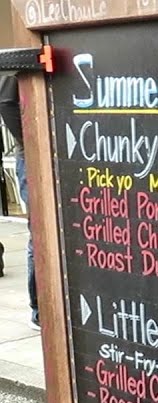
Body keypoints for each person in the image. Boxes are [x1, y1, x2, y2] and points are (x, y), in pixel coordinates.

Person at [1, 73, 39, 329]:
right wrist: (31, 141)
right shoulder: (17, 70)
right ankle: (39, 310)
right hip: (33, 158)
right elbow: (5, 102)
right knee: (40, 234)